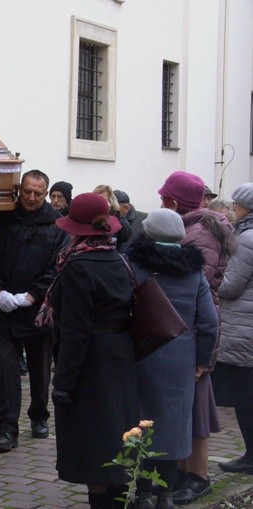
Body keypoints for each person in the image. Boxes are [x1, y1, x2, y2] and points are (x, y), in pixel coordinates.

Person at [49, 192, 139, 509]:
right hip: (120, 355)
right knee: (114, 443)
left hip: (92, 364)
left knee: (95, 447)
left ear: (75, 229)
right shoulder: (118, 259)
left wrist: (63, 382)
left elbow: (75, 332)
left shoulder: (77, 267)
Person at [126, 209, 218, 509]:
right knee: (173, 427)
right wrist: (202, 360)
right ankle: (165, 495)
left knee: (142, 424)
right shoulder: (194, 271)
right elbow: (208, 323)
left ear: (148, 233)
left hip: (141, 355)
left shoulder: (133, 265)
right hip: (181, 359)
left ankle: (142, 494)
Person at [157, 170, 237, 505]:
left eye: (165, 198)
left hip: (193, 332)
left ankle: (198, 476)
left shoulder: (199, 233)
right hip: (187, 331)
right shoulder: (194, 228)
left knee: (197, 406)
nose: (160, 201)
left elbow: (193, 291)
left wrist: (203, 353)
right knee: (187, 406)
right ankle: (183, 471)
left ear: (174, 202)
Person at [0, 169, 68, 453]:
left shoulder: (57, 225)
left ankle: (39, 414)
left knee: (40, 365)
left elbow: (58, 266)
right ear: (19, 189)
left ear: (46, 195)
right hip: (1, 306)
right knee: (6, 370)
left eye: (38, 193)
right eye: (27, 191)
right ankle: (6, 428)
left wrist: (32, 296)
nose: (31, 198)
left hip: (38, 309)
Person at [214, 182, 253, 476]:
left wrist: (214, 276)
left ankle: (251, 456)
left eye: (235, 205)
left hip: (243, 326)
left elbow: (230, 287)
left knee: (245, 396)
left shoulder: (246, 239)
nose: (232, 210)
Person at [93, 184, 131, 250]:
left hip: (111, 251)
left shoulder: (117, 217)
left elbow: (124, 237)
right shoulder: (90, 215)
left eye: (103, 200)